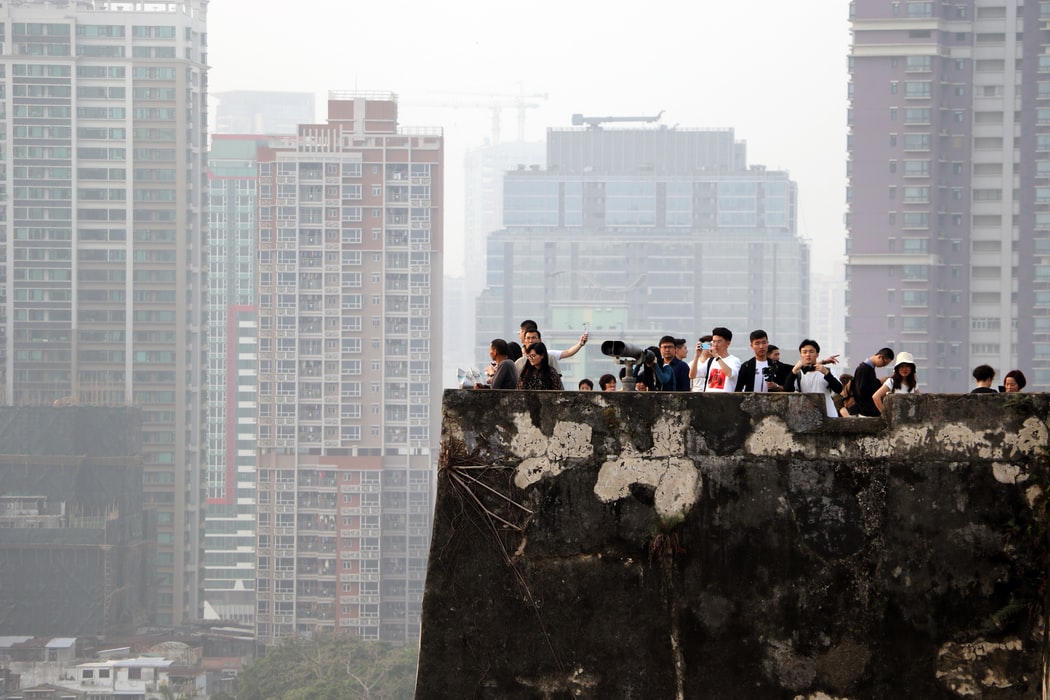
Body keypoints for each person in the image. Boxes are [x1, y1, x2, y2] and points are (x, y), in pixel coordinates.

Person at [790, 338, 843, 417]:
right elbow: (787, 389)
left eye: (811, 352)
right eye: (804, 352)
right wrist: (794, 371)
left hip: (829, 415)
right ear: (801, 355)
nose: (808, 354)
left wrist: (827, 373)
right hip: (807, 416)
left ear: (817, 354)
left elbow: (839, 389)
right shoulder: (798, 374)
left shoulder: (828, 371)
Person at [515, 326, 588, 375]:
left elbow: (568, 352)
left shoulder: (549, 356)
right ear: (524, 340)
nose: (530, 341)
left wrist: (580, 344)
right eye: (528, 338)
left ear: (540, 340)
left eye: (533, 338)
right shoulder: (519, 361)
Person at [690, 327, 742, 392]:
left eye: (719, 341)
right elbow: (692, 375)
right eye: (714, 341)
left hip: (726, 400)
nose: (716, 345)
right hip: (708, 399)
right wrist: (697, 356)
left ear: (728, 343)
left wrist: (717, 357)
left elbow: (729, 373)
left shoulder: (734, 360)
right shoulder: (710, 361)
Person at [851, 347, 895, 416]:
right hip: (865, 412)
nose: (883, 366)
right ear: (879, 357)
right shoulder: (863, 369)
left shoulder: (869, 369)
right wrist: (879, 382)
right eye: (884, 363)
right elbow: (862, 391)